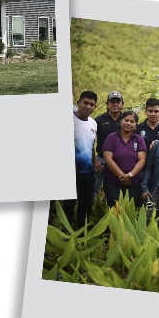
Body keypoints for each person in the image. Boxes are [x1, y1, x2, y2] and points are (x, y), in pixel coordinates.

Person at [61, 91, 98, 228]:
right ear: (78, 103)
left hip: (88, 173)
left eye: (92, 104)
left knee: (85, 203)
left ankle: (81, 230)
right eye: (85, 103)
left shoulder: (93, 124)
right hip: (71, 171)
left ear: (95, 107)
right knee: (69, 203)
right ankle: (66, 230)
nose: (88, 106)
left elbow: (92, 147)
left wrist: (93, 167)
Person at [102, 111, 147, 208]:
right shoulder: (112, 137)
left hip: (133, 182)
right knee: (115, 209)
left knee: (130, 210)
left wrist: (130, 175)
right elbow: (108, 158)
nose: (128, 123)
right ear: (121, 121)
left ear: (136, 125)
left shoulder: (139, 139)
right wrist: (122, 176)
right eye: (126, 120)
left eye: (132, 121)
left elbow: (142, 160)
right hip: (113, 182)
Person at [92, 91, 124, 201]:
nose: (115, 104)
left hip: (120, 161)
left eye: (118, 102)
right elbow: (90, 141)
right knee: (93, 190)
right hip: (101, 161)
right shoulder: (99, 120)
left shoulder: (126, 120)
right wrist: (94, 161)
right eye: (112, 102)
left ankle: (117, 214)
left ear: (122, 104)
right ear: (107, 104)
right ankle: (88, 214)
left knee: (119, 192)